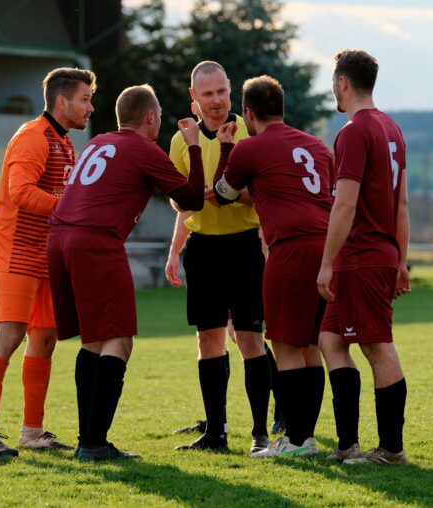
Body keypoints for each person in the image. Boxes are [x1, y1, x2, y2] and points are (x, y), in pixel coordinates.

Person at [48, 84, 206, 460]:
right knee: (119, 340)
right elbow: (193, 200)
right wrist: (195, 146)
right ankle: (94, 443)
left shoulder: (100, 141)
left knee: (94, 340)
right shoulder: (143, 148)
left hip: (59, 238)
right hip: (94, 242)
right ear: (150, 117)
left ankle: (88, 439)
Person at [0, 68, 95, 457]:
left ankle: (32, 431)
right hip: (17, 249)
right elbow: (19, 192)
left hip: (45, 253)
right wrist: (68, 209)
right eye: (85, 99)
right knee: (10, 335)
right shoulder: (31, 137)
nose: (90, 107)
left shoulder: (64, 142)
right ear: (62, 102)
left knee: (45, 338)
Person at [212, 75, 332, 457]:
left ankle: (296, 441)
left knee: (283, 344)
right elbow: (288, 190)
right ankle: (305, 437)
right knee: (310, 344)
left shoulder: (252, 147)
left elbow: (223, 193)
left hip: (291, 250)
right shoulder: (317, 147)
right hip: (326, 248)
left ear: (248, 112)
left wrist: (228, 147)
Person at [164, 61, 278, 453]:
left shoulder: (250, 131)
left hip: (245, 244)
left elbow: (266, 193)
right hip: (204, 249)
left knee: (251, 339)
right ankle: (215, 432)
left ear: (231, 91)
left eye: (221, 92)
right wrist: (176, 246)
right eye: (207, 94)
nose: (216, 101)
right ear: (194, 99)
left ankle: (260, 433)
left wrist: (231, 192)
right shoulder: (182, 140)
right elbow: (179, 201)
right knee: (208, 340)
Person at [317, 49, 411, 465]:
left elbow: (344, 205)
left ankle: (392, 449)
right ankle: (347, 444)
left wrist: (326, 262)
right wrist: (402, 259)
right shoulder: (391, 127)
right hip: (380, 252)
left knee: (376, 346)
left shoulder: (354, 131)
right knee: (331, 339)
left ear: (343, 83)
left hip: (362, 255)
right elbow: (402, 205)